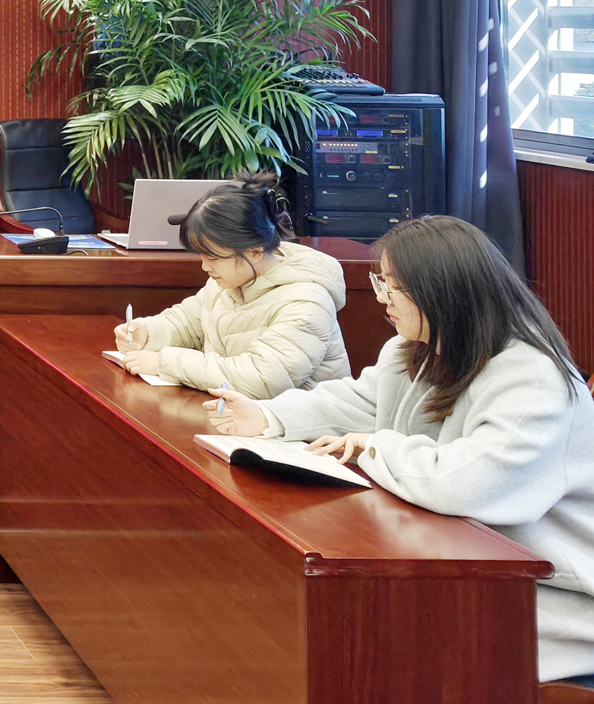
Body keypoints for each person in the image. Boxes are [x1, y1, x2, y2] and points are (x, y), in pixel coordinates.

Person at [205, 215, 594, 686]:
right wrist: (267, 417)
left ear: (444, 291)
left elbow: (469, 485)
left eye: (394, 286)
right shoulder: (414, 348)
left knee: (376, 636)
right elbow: (355, 402)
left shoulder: (532, 377)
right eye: (380, 282)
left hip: (551, 593)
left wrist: (376, 446)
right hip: (457, 562)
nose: (381, 297)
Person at [111, 172, 349, 398]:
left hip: (296, 425)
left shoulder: (306, 301)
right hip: (239, 414)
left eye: (213, 257)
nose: (205, 266)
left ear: (254, 252)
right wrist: (147, 332)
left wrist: (166, 363)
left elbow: (261, 379)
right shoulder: (228, 282)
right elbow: (186, 323)